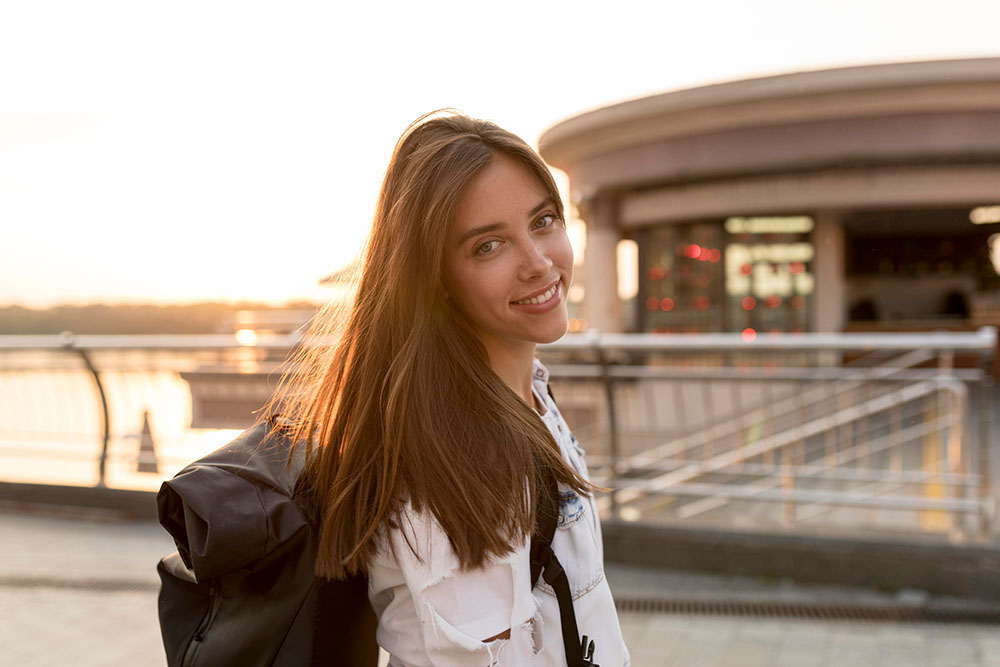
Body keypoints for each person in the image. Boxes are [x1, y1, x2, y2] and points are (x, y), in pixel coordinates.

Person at [275, 111, 630, 666]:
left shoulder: (527, 395)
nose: (539, 263)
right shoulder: (463, 454)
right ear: (435, 280)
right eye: (489, 246)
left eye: (543, 221)